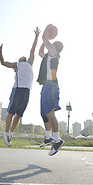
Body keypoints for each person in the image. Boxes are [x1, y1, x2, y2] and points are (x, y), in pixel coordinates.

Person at [0, 27, 40, 146]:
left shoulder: (29, 62)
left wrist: (36, 37)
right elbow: (3, 63)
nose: (23, 57)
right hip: (18, 89)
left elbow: (33, 49)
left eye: (24, 57)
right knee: (11, 111)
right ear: (19, 60)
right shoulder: (16, 65)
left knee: (19, 114)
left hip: (27, 90)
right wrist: (0, 51)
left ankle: (11, 133)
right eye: (21, 57)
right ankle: (5, 132)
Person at [37, 24, 64, 156]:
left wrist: (47, 29)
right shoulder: (48, 56)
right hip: (46, 85)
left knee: (50, 114)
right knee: (44, 114)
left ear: (54, 47)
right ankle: (48, 137)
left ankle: (57, 140)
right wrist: (43, 42)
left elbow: (45, 40)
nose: (50, 44)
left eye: (52, 44)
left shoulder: (54, 53)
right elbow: (40, 53)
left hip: (52, 85)